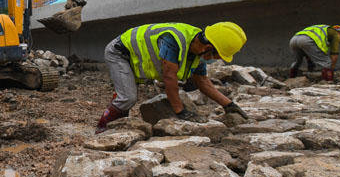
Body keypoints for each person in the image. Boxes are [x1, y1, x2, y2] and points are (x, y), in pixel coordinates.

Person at [95, 22, 249, 133]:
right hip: (119, 52)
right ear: (208, 48)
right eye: (217, 55)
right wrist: (180, 111)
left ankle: (118, 126)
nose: (216, 59)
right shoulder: (174, 41)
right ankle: (102, 129)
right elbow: (169, 78)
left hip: (135, 56)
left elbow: (202, 81)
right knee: (128, 98)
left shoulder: (197, 50)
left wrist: (228, 105)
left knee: (126, 96)